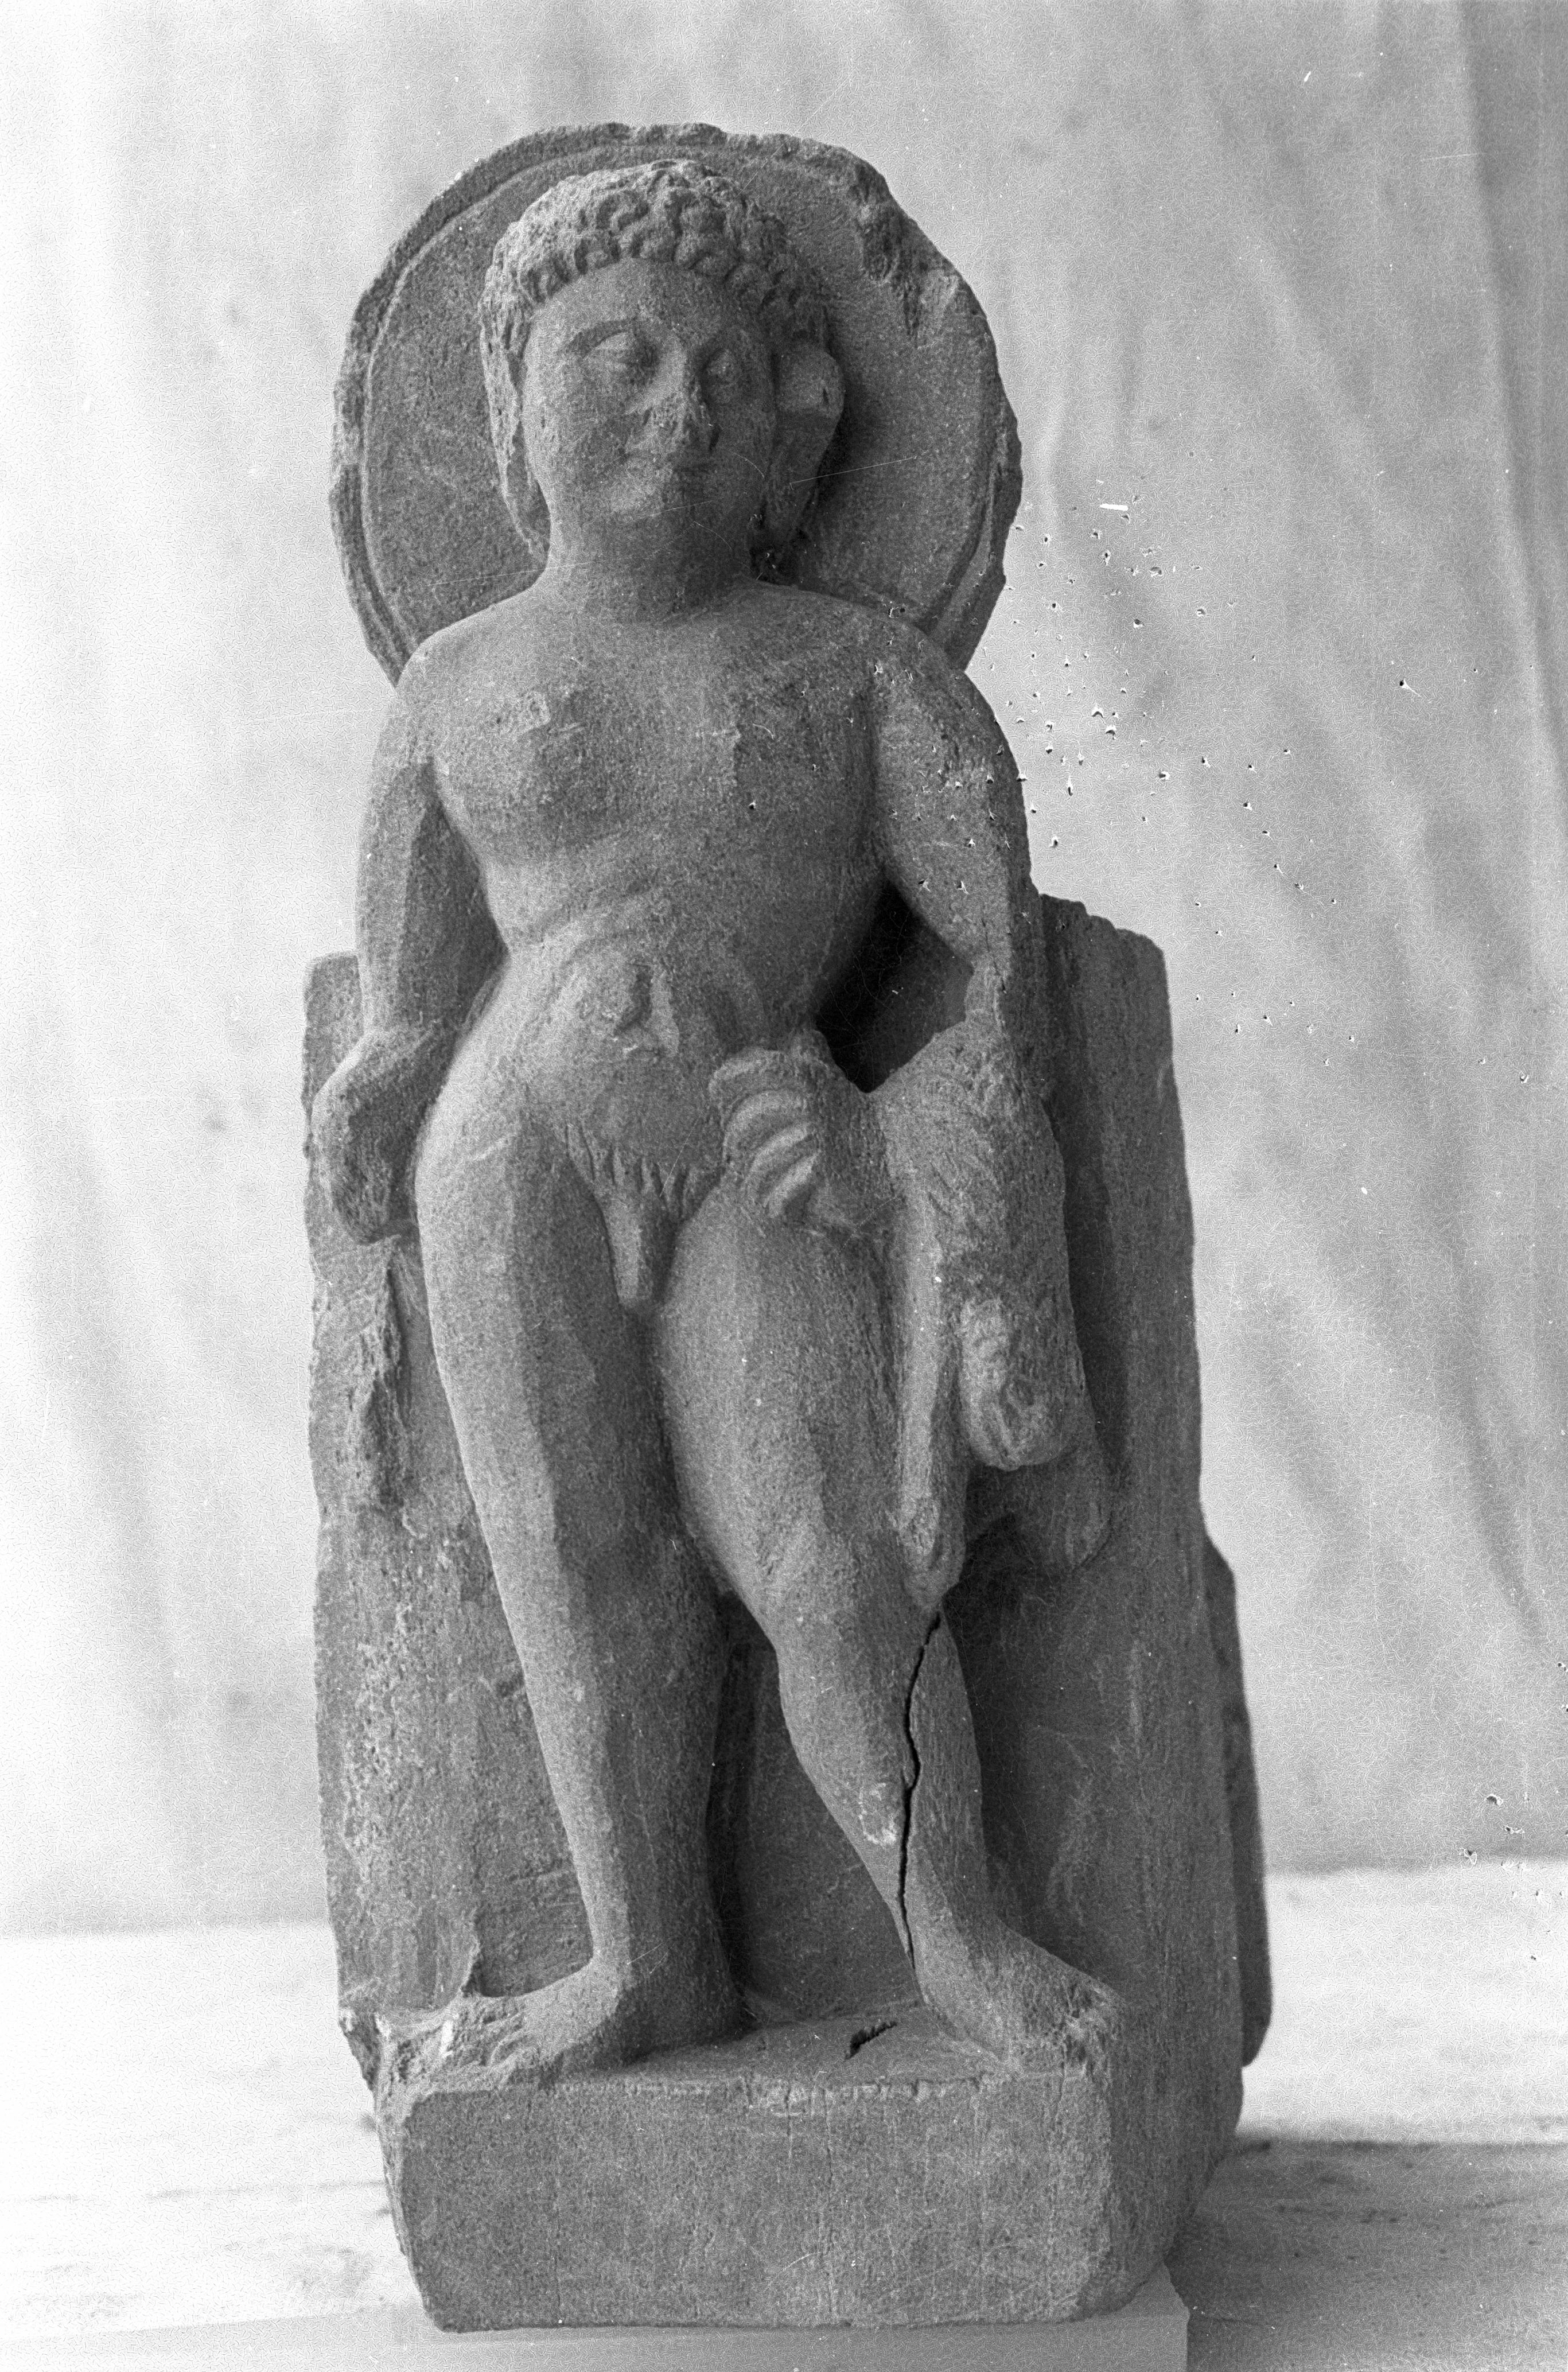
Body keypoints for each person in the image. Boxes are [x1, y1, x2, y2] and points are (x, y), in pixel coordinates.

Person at [314, 158, 1109, 2080]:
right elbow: (410, 984)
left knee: (827, 1554)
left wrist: (885, 1142)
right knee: (570, 1556)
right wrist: (388, 1066)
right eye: (619, 357)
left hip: (762, 1139)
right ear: (511, 408)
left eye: (725, 376)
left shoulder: (859, 678)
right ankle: (643, 1955)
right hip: (509, 1150)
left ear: (794, 437)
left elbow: (1007, 988)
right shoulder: (456, 684)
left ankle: (958, 1935)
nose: (677, 406)